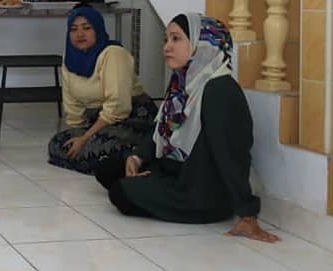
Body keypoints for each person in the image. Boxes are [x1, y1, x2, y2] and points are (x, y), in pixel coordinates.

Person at [94, 13, 280, 243]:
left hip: (200, 191)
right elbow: (161, 129)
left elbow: (231, 154)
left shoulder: (219, 90)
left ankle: (156, 186)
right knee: (107, 168)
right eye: (166, 39)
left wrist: (247, 213)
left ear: (202, 44)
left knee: (121, 193)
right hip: (176, 166)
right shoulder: (184, 82)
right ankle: (150, 178)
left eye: (176, 39)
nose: (167, 47)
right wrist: (137, 157)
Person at [47, 5, 156, 173]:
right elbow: (72, 103)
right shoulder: (69, 57)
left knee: (98, 149)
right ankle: (107, 160)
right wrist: (77, 133)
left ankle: (135, 156)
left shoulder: (113, 54)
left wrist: (86, 137)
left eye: (87, 28)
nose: (80, 34)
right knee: (57, 144)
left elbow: (118, 106)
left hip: (131, 118)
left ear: (98, 29)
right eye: (74, 29)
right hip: (98, 122)